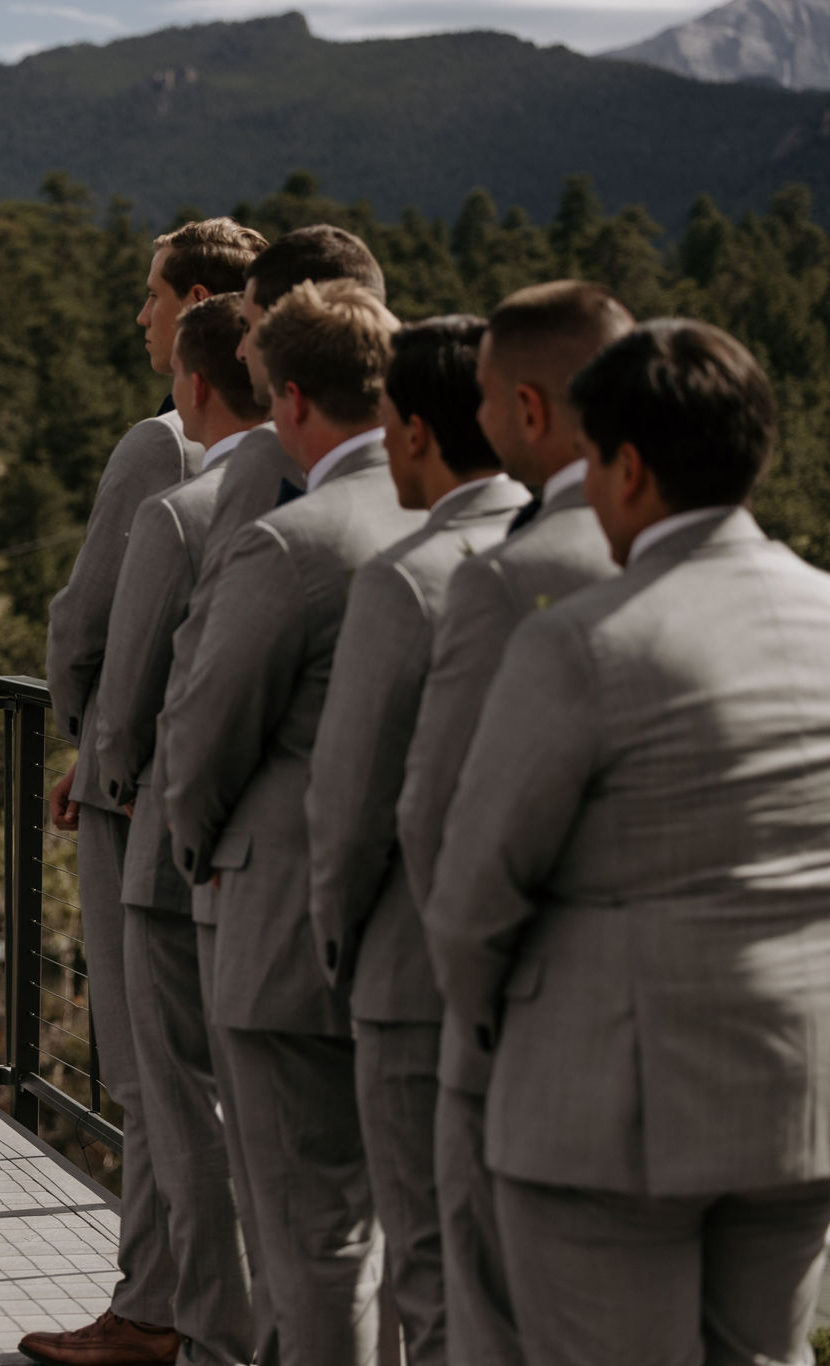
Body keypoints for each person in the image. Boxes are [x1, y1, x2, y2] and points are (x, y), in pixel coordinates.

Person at [425, 319, 830, 1366]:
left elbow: (472, 897)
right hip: (797, 1095)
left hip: (603, 1108)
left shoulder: (577, 642)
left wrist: (487, 1047)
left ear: (630, 469)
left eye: (594, 463)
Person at [136, 223, 390, 1366]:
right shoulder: (456, 513)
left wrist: (201, 855)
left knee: (304, 1226)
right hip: (405, 922)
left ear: (281, 392)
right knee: (389, 1223)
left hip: (273, 904)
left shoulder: (277, 528)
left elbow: (199, 727)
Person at [25, 218, 259, 1366]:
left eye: (152, 295)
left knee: (148, 1070)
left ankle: (155, 1308)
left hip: (138, 794)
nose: (140, 317)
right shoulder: (287, 452)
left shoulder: (161, 450)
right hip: (232, 806)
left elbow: (93, 619)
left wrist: (88, 742)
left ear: (200, 302)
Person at [393, 281, 631, 1366]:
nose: (476, 424)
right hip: (771, 1082)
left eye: (485, 398)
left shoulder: (512, 579)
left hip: (541, 1046)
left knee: (485, 1307)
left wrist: (467, 1002)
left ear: (527, 409)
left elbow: (439, 825)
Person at [303, 317, 528, 1366]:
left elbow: (353, 804)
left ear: (421, 431)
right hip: (532, 979)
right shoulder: (559, 545)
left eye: (390, 425)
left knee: (425, 1262)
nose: (383, 447)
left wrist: (334, 944)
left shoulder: (408, 576)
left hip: (405, 966)